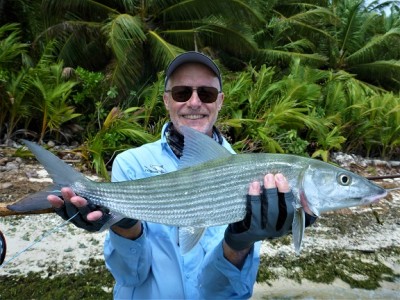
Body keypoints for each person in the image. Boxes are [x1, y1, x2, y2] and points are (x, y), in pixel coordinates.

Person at [48, 51, 316, 299]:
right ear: (166, 100)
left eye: (207, 93)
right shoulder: (131, 163)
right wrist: (123, 225)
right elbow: (131, 275)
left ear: (220, 101)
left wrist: (240, 242)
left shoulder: (251, 174)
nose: (195, 102)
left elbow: (221, 293)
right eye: (181, 92)